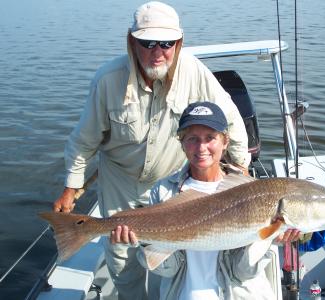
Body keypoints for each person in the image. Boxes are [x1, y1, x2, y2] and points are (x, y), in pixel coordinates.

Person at [52, 2, 250, 299]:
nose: (158, 52)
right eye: (147, 43)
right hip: (121, 181)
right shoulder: (107, 79)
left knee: (166, 259)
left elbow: (231, 119)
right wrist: (71, 187)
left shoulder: (194, 71)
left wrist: (242, 169)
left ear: (179, 43)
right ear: (132, 42)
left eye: (167, 43)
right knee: (121, 259)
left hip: (171, 185)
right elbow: (84, 140)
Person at [111, 102, 300, 300]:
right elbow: (168, 270)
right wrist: (143, 242)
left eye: (210, 138)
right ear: (182, 143)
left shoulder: (249, 192)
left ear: (225, 141)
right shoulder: (164, 191)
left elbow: (243, 272)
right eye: (192, 139)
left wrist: (268, 239)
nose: (202, 147)